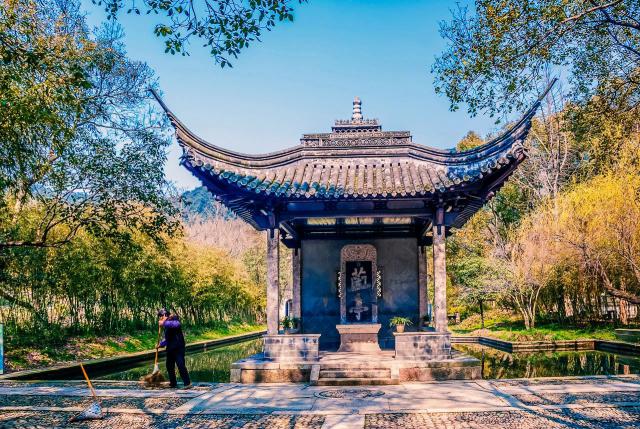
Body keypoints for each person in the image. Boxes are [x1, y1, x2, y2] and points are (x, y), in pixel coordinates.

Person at [158, 308, 191, 389]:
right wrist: (161, 344)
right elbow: (168, 338)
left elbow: (177, 324)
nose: (160, 318)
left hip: (178, 347)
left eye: (160, 316)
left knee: (180, 365)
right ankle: (173, 383)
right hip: (170, 348)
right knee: (169, 366)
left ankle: (187, 384)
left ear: (164, 315)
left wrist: (164, 323)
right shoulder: (166, 326)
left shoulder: (173, 319)